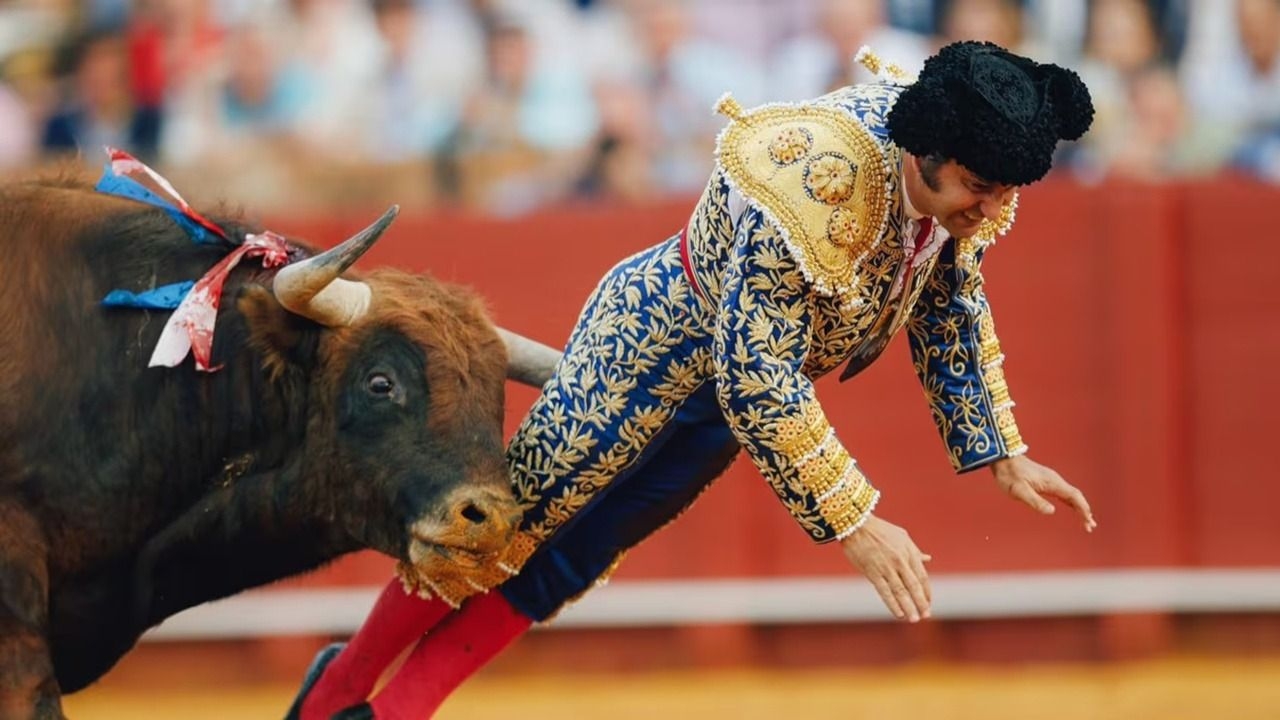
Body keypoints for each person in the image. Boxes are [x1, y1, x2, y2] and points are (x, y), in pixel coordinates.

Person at [288, 40, 1098, 720]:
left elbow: (949, 297)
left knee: (580, 555)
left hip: (731, 394)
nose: (991, 211)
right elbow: (759, 376)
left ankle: (400, 711)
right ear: (931, 156)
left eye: (1002, 194)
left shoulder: (963, 176)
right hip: (650, 349)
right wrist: (856, 521)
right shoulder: (819, 181)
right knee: (505, 524)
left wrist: (1000, 450)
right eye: (981, 190)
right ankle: (342, 688)